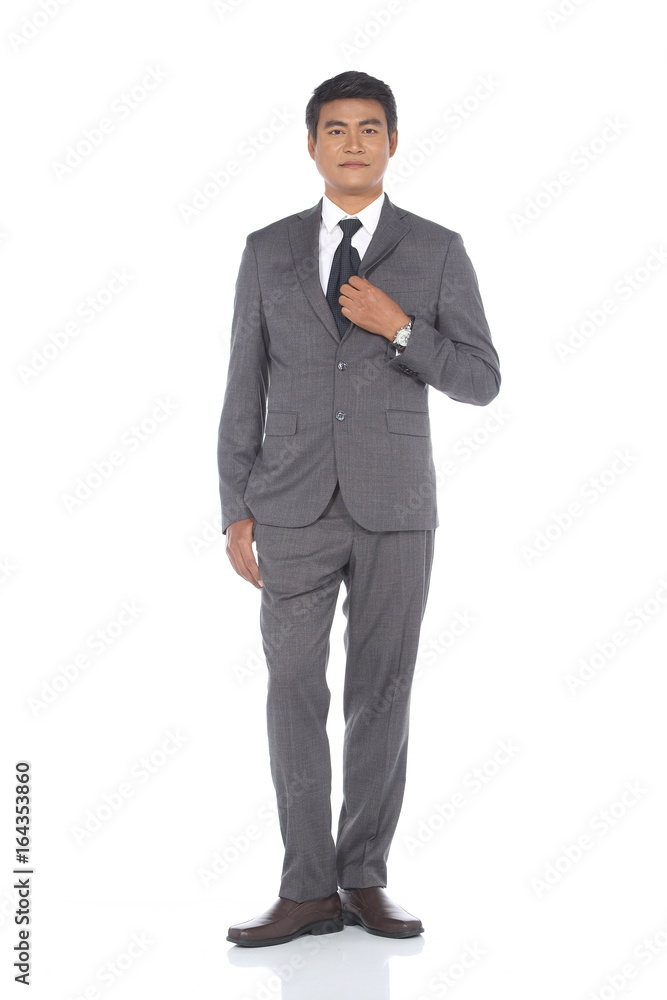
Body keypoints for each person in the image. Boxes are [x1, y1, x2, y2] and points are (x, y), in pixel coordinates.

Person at [218, 70, 501, 947]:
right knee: (292, 690)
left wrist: (400, 328)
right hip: (290, 506)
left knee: (381, 692)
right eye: (335, 129)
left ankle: (363, 876)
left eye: (368, 128)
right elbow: (242, 386)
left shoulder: (437, 249)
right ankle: (306, 889)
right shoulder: (266, 250)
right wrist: (234, 506)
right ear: (311, 144)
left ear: (392, 142)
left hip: (396, 506)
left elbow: (481, 380)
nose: (352, 143)